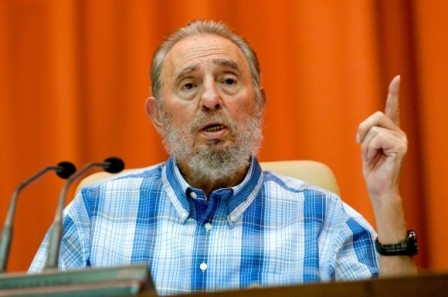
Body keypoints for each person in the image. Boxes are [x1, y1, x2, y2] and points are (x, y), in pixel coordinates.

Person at [29, 20, 417, 295]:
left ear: (259, 104)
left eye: (229, 81)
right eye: (188, 84)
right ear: (158, 116)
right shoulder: (93, 213)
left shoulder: (323, 218)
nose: (211, 98)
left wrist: (387, 199)